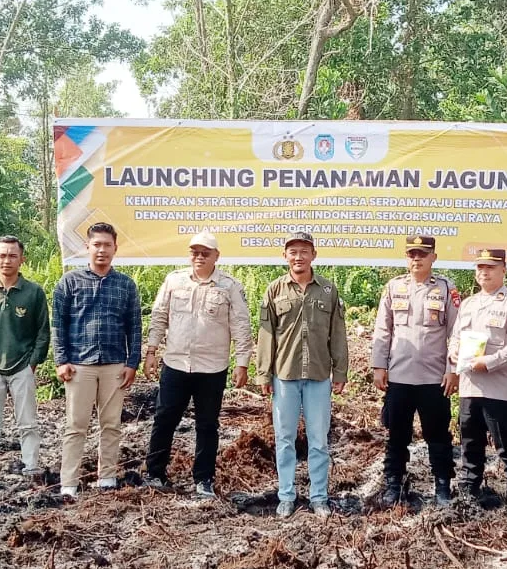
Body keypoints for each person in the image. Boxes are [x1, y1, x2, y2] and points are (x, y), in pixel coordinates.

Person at [143, 231, 253, 498]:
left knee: (207, 425)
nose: (199, 257)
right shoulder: (174, 280)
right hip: (176, 363)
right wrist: (151, 350)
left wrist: (242, 363)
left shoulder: (229, 286)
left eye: (206, 253)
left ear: (217, 256)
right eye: (195, 252)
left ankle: (203, 479)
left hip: (211, 368)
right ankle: (155, 473)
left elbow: (241, 325)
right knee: (165, 419)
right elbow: (159, 316)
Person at [255, 232, 348, 518]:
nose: (298, 256)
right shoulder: (274, 290)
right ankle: (286, 496)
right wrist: (263, 373)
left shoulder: (328, 291)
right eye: (293, 251)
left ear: (313, 255)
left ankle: (319, 497)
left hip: (319, 376)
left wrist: (340, 370)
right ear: (285, 256)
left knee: (318, 440)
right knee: (284, 439)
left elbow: (338, 334)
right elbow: (266, 334)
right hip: (284, 376)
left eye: (304, 251)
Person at [52, 222, 141, 497]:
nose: (102, 250)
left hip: (115, 364)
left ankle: (107, 478)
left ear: (115, 248)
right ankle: (69, 483)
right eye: (96, 245)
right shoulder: (69, 282)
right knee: (76, 425)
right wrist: (61, 360)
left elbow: (134, 326)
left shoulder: (125, 285)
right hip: (79, 365)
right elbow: (58, 323)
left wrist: (132, 362)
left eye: (107, 245)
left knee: (111, 424)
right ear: (87, 248)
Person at [370, 235, 458, 507]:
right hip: (399, 376)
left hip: (434, 379)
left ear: (434, 257)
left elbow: (456, 332)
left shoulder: (446, 289)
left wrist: (453, 369)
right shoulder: (393, 287)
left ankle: (443, 485)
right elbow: (383, 330)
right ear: (406, 258)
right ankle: (393, 483)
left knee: (438, 436)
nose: (417, 258)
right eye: (412, 254)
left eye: (423, 254)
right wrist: (378, 366)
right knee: (397, 435)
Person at [449, 249, 507, 523]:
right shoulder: (469, 304)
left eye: (491, 268)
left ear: (503, 270)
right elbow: (456, 338)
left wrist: (491, 361)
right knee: (470, 444)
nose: (484, 272)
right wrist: (453, 354)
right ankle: (469, 493)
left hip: (498, 388)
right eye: (480, 268)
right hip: (470, 387)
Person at [0, 235, 51, 478]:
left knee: (28, 423)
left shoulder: (34, 292)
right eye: (2, 255)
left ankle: (32, 467)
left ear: (22, 259)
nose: (7, 260)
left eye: (13, 256)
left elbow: (43, 331)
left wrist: (33, 363)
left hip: (22, 367)